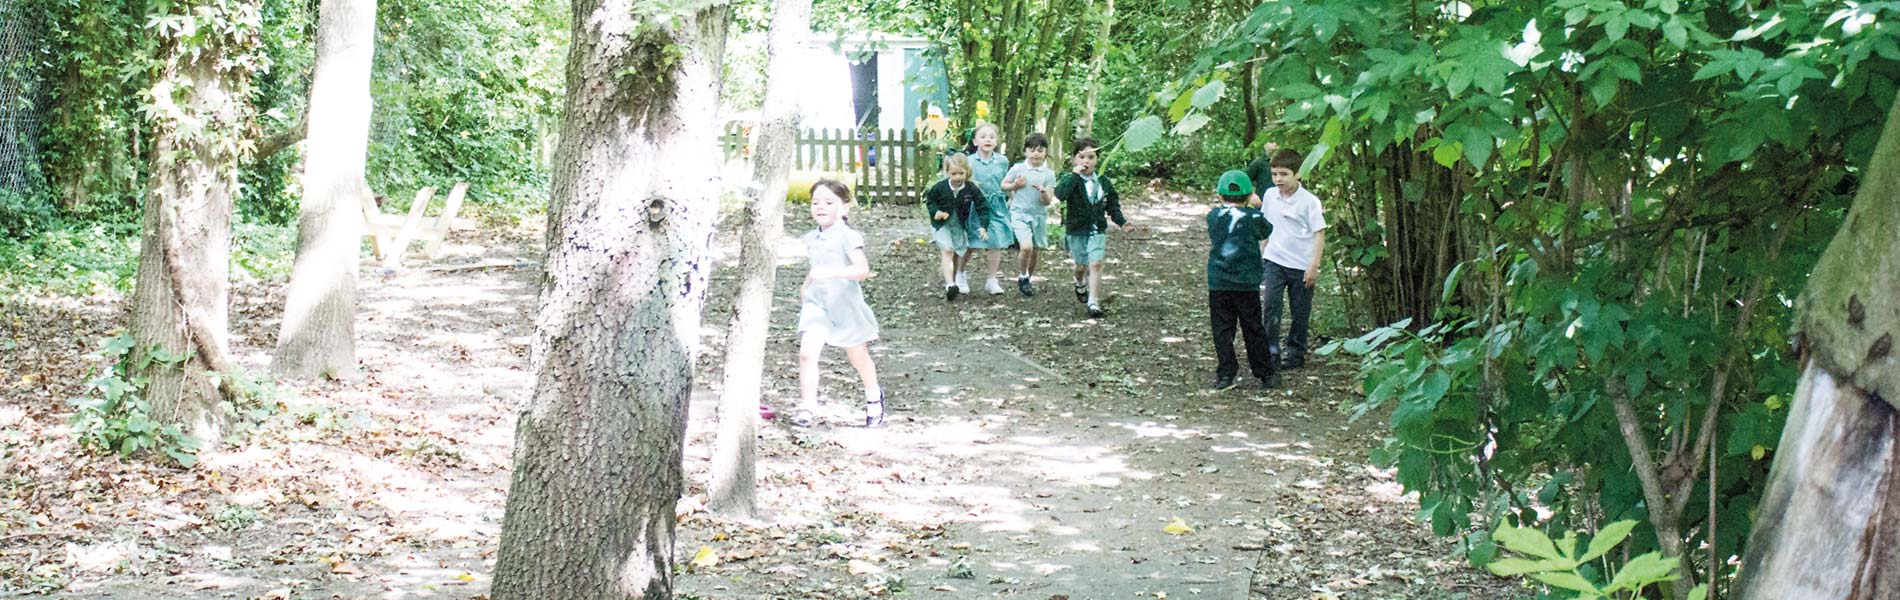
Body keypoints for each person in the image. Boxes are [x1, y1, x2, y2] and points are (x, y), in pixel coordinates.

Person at [793, 179, 885, 427]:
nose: (820, 207)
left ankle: (873, 396)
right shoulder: (812, 238)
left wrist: (832, 273)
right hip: (817, 305)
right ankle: (808, 407)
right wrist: (806, 286)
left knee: (858, 358)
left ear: (844, 208)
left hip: (845, 306)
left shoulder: (848, 236)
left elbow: (862, 270)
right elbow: (815, 270)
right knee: (807, 353)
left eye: (828, 202)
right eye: (815, 202)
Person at [1205, 170, 1279, 390]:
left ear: (1220, 195)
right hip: (1246, 284)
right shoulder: (1254, 218)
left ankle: (1226, 374)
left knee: (1222, 329)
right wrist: (1255, 206)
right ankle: (1265, 374)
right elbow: (1267, 230)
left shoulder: (1213, 216)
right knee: (1253, 327)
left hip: (1219, 282)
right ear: (1250, 194)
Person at [1259, 148, 1327, 369]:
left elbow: (1319, 233)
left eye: (1284, 174)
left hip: (1300, 264)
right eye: (1275, 174)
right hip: (1274, 260)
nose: (1278, 179)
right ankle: (1270, 352)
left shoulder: (1309, 202)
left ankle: (1296, 353)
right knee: (1271, 306)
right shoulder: (1270, 195)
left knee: (1300, 312)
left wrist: (1313, 265)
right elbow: (1266, 227)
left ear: (1297, 174)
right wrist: (1262, 255)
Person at [1054, 137, 1131, 319]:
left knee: (1096, 264)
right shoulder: (1070, 180)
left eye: (1091, 157)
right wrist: (1074, 175)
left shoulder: (1104, 182)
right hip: (1076, 230)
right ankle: (1079, 281)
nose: (1086, 161)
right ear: (1075, 159)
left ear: (1097, 160)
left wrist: (1122, 222)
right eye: (1082, 157)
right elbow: (1060, 195)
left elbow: (1113, 206)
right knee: (1081, 265)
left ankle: (1093, 301)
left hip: (1097, 229)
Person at [924, 153, 989, 301]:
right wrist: (936, 212)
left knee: (957, 253)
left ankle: (952, 283)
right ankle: (949, 284)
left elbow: (982, 206)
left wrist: (983, 225)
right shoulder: (940, 187)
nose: (958, 177)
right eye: (954, 174)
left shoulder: (970, 188)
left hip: (958, 225)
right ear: (947, 172)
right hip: (942, 225)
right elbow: (930, 201)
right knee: (947, 249)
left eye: (961, 173)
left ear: (967, 171)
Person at [1001, 132, 1058, 297]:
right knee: (1026, 247)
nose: (1036, 154)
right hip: (1019, 213)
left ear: (1045, 152)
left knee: (1035, 251)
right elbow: (1003, 185)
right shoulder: (1018, 168)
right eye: (1032, 150)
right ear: (1025, 151)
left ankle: (1027, 279)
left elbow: (1048, 201)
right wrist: (1014, 185)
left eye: (1040, 150)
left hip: (1039, 215)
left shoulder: (1049, 174)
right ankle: (1022, 275)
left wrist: (1043, 193)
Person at [965, 123, 1015, 295]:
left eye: (992, 137)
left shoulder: (1002, 161)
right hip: (975, 206)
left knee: (996, 241)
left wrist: (1012, 199)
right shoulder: (969, 161)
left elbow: (1005, 183)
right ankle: (959, 274)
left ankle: (992, 279)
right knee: (970, 242)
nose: (988, 139)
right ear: (975, 141)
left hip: (997, 206)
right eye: (983, 136)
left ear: (997, 141)